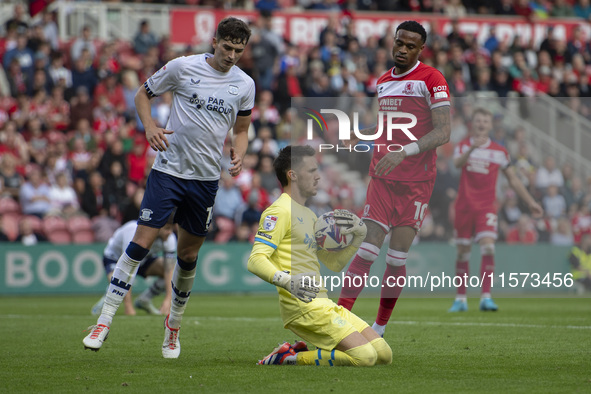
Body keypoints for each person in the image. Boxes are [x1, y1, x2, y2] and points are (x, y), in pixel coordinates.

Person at [83, 17, 255, 359]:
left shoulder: (244, 84)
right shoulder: (181, 67)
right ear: (214, 40)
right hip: (168, 172)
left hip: (206, 180)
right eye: (227, 47)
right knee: (140, 244)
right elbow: (142, 94)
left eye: (239, 50)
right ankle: (103, 321)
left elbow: (242, 129)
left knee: (188, 256)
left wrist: (240, 151)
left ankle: (173, 327)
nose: (232, 56)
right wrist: (149, 126)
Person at [337, 21, 452, 338]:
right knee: (366, 252)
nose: (402, 49)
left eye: (410, 45)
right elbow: (386, 126)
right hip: (383, 176)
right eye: (399, 42)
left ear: (420, 49)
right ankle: (338, 321)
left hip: (417, 181)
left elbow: (444, 132)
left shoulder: (432, 79)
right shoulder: (383, 81)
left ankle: (379, 328)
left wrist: (404, 151)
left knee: (397, 256)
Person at [248, 145, 392, 366]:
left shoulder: (309, 214)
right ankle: (288, 358)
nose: (318, 176)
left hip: (324, 303)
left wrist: (356, 239)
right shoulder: (278, 211)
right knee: (366, 357)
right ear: (292, 175)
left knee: (383, 354)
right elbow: (256, 260)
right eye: (312, 171)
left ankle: (297, 350)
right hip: (302, 307)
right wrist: (287, 281)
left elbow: (332, 264)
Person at [448, 108, 544, 312]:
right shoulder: (463, 145)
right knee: (463, 252)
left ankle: (486, 296)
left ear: (491, 125)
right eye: (478, 120)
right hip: (464, 206)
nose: (482, 123)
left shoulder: (499, 152)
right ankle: (461, 299)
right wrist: (472, 149)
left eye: (485, 120)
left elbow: (514, 180)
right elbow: (456, 164)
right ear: (472, 123)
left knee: (488, 247)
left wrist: (531, 202)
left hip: (487, 206)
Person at [91, 217, 177, 317]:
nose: (169, 232)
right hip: (115, 258)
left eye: (171, 229)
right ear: (157, 227)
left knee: (174, 270)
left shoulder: (170, 238)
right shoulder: (134, 232)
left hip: (143, 259)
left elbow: (168, 269)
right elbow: (126, 267)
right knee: (119, 281)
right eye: (167, 229)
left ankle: (144, 300)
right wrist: (129, 308)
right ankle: (108, 296)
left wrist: (168, 300)